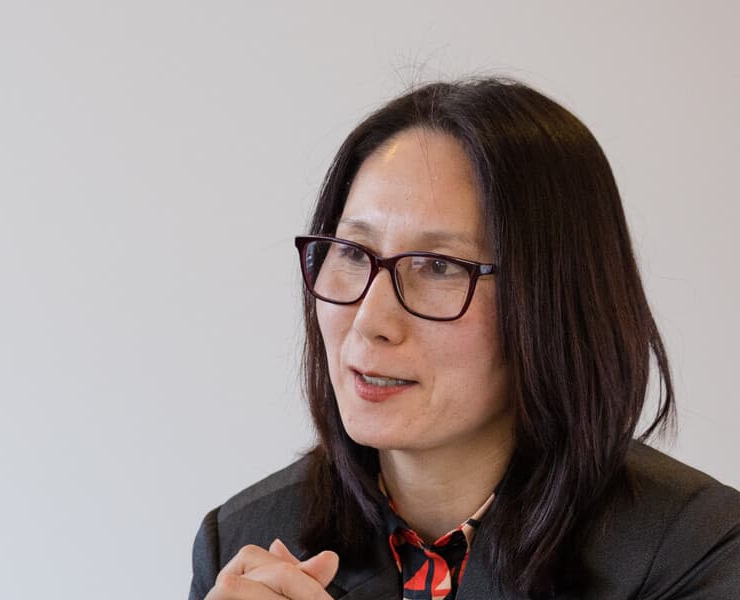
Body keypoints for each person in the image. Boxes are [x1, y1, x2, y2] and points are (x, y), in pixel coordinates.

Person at [191, 79, 740, 599]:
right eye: (353, 253)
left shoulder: (697, 550)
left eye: (437, 265)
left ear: (553, 302)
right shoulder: (243, 539)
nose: (370, 319)